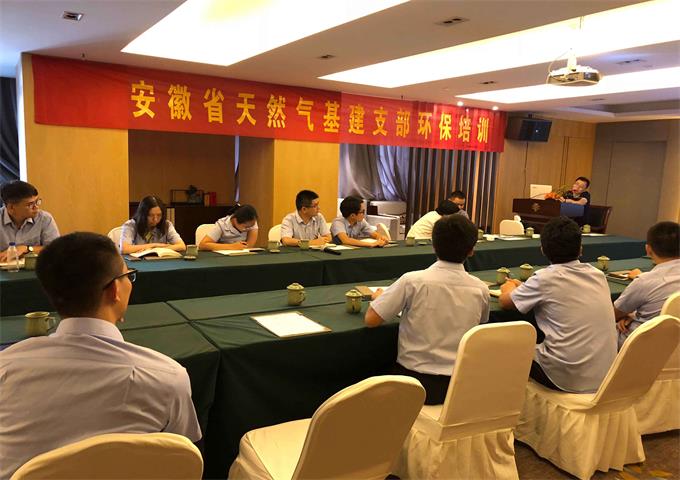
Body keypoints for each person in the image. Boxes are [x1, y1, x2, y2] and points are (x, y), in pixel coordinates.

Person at [0, 232, 201, 479]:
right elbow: (182, 455)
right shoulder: (168, 378)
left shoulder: (5, 367)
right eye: (128, 275)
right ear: (115, 290)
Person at [364, 214, 489, 404]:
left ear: (433, 245)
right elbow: (481, 323)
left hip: (413, 383)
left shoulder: (413, 281)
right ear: (472, 250)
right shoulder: (480, 288)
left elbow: (371, 320)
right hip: (460, 386)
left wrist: (380, 299)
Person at [499, 216, 616, 393]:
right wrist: (524, 288)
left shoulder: (545, 278)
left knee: (506, 348)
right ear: (581, 249)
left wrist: (508, 287)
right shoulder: (597, 275)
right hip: (606, 375)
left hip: (567, 377)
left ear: (542, 249)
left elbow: (505, 302)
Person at [614, 221, 680, 348]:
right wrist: (633, 315)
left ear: (648, 250)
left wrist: (628, 314)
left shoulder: (645, 281)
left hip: (642, 348)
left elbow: (613, 314)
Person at [0, 180, 59, 261]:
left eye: (37, 201)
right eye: (30, 204)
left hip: (35, 267)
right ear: (11, 208)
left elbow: (55, 249)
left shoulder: (45, 218)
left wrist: (27, 249)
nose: (36, 207)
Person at [120, 195, 186, 254]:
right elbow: (124, 249)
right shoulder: (131, 225)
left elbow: (182, 246)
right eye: (151, 215)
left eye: (159, 215)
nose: (155, 219)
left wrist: (156, 249)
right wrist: (154, 245)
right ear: (143, 214)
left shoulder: (166, 224)